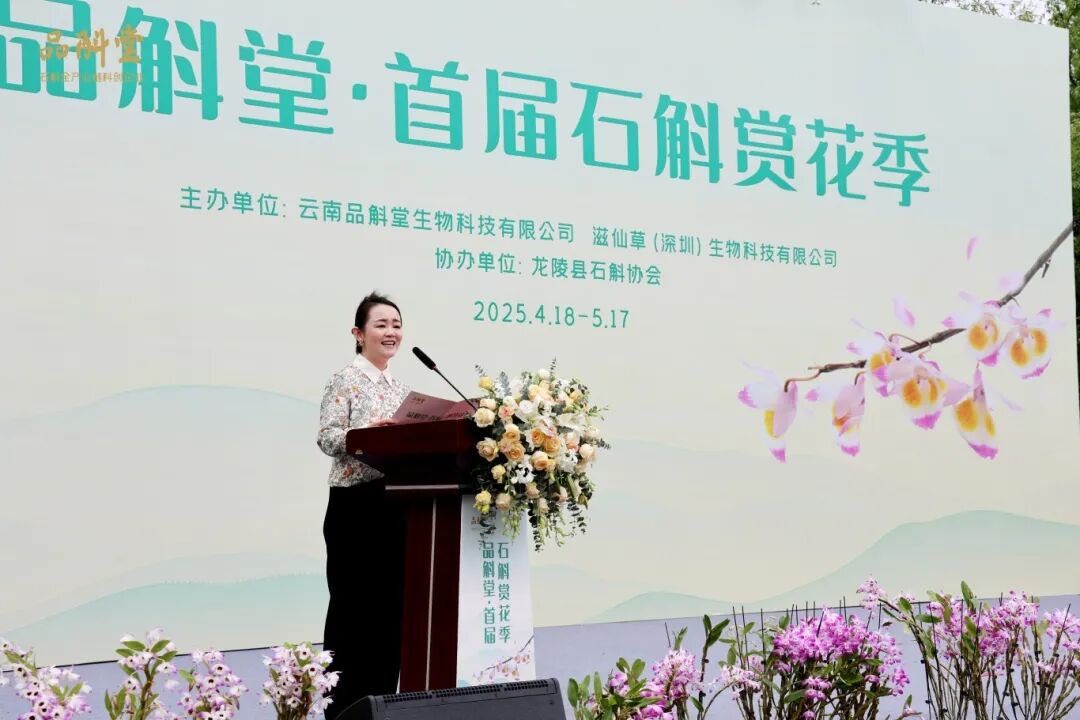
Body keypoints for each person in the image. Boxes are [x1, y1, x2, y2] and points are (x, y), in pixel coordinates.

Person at [316, 291, 410, 719]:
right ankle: (342, 711)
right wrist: (369, 433)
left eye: (396, 325)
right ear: (358, 333)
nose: (391, 332)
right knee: (353, 614)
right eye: (381, 325)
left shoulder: (402, 390)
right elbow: (328, 438)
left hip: (395, 507)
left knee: (389, 615)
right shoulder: (345, 380)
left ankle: (381, 706)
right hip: (355, 508)